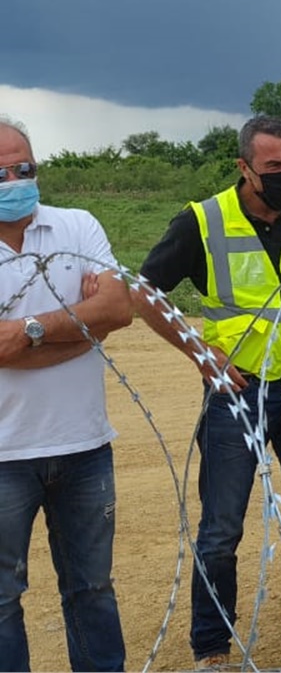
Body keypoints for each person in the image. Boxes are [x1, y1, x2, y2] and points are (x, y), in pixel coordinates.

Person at [133, 116, 281, 668]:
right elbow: (144, 293)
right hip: (237, 393)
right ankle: (212, 647)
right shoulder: (203, 221)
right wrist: (201, 353)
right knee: (222, 528)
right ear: (244, 167)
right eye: (274, 166)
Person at [0, 117, 132, 671]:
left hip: (83, 447)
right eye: (1, 172)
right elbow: (93, 321)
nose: (14, 181)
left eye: (23, 167)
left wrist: (28, 332)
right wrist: (81, 327)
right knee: (2, 601)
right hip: (4, 456)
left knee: (92, 590)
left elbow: (117, 310)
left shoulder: (77, 226)